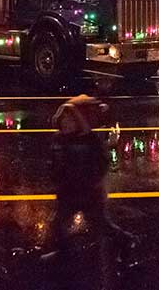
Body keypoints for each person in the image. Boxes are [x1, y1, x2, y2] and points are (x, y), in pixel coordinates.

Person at [42, 95, 136, 262]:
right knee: (58, 225)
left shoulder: (88, 140)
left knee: (101, 225)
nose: (66, 123)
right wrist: (56, 177)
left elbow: (102, 163)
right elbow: (54, 163)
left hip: (89, 194)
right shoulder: (58, 139)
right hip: (68, 192)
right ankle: (63, 253)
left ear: (78, 121)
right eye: (64, 120)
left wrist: (93, 182)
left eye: (71, 120)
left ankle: (125, 240)